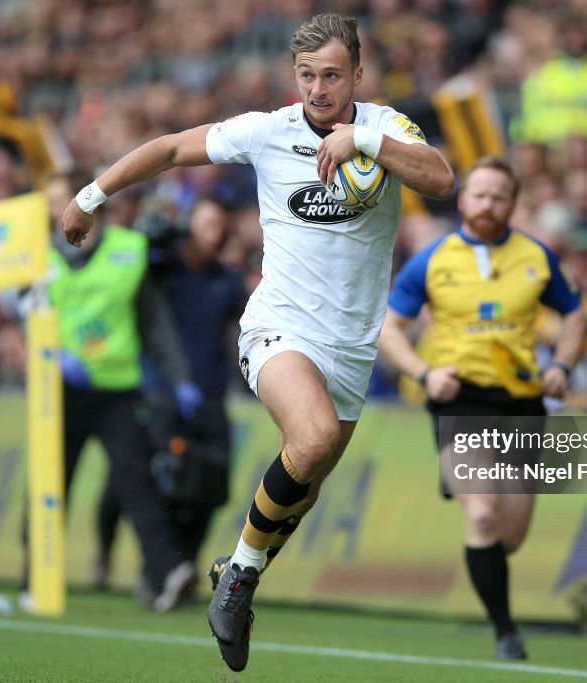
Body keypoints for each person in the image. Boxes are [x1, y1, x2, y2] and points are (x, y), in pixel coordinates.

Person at [60, 13, 454, 672]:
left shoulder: (386, 127)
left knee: (306, 484)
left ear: (358, 73)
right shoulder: (268, 131)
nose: (319, 88)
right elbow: (168, 149)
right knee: (314, 438)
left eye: (332, 75)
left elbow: (440, 180)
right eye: (307, 75)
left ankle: (236, 564)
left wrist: (364, 141)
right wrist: (91, 195)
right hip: (279, 327)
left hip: (352, 346)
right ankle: (240, 578)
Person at [376, 156, 585, 659]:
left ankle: (489, 577)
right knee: (483, 513)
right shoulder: (432, 260)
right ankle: (506, 632)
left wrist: (563, 364)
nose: (488, 205)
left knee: (508, 537)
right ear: (463, 199)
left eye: (499, 197)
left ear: (513, 205)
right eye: (479, 195)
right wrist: (426, 373)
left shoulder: (537, 257)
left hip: (522, 402)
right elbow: (388, 330)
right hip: (459, 398)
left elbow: (575, 313)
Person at [22, 173, 199, 612]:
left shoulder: (128, 251)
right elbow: (21, 316)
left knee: (136, 483)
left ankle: (168, 572)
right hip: (58, 391)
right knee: (50, 481)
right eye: (48, 202)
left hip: (118, 390)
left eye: (58, 200)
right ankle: (34, 578)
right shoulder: (36, 257)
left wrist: (180, 378)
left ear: (86, 204)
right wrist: (50, 353)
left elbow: (154, 323)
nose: (50, 210)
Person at [94, 197, 248, 609]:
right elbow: (134, 272)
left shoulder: (225, 280)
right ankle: (153, 568)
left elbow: (248, 324)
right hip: (159, 392)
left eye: (219, 225)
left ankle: (182, 567)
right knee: (154, 484)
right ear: (188, 227)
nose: (212, 232)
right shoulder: (162, 269)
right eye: (205, 222)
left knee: (208, 488)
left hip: (207, 396)